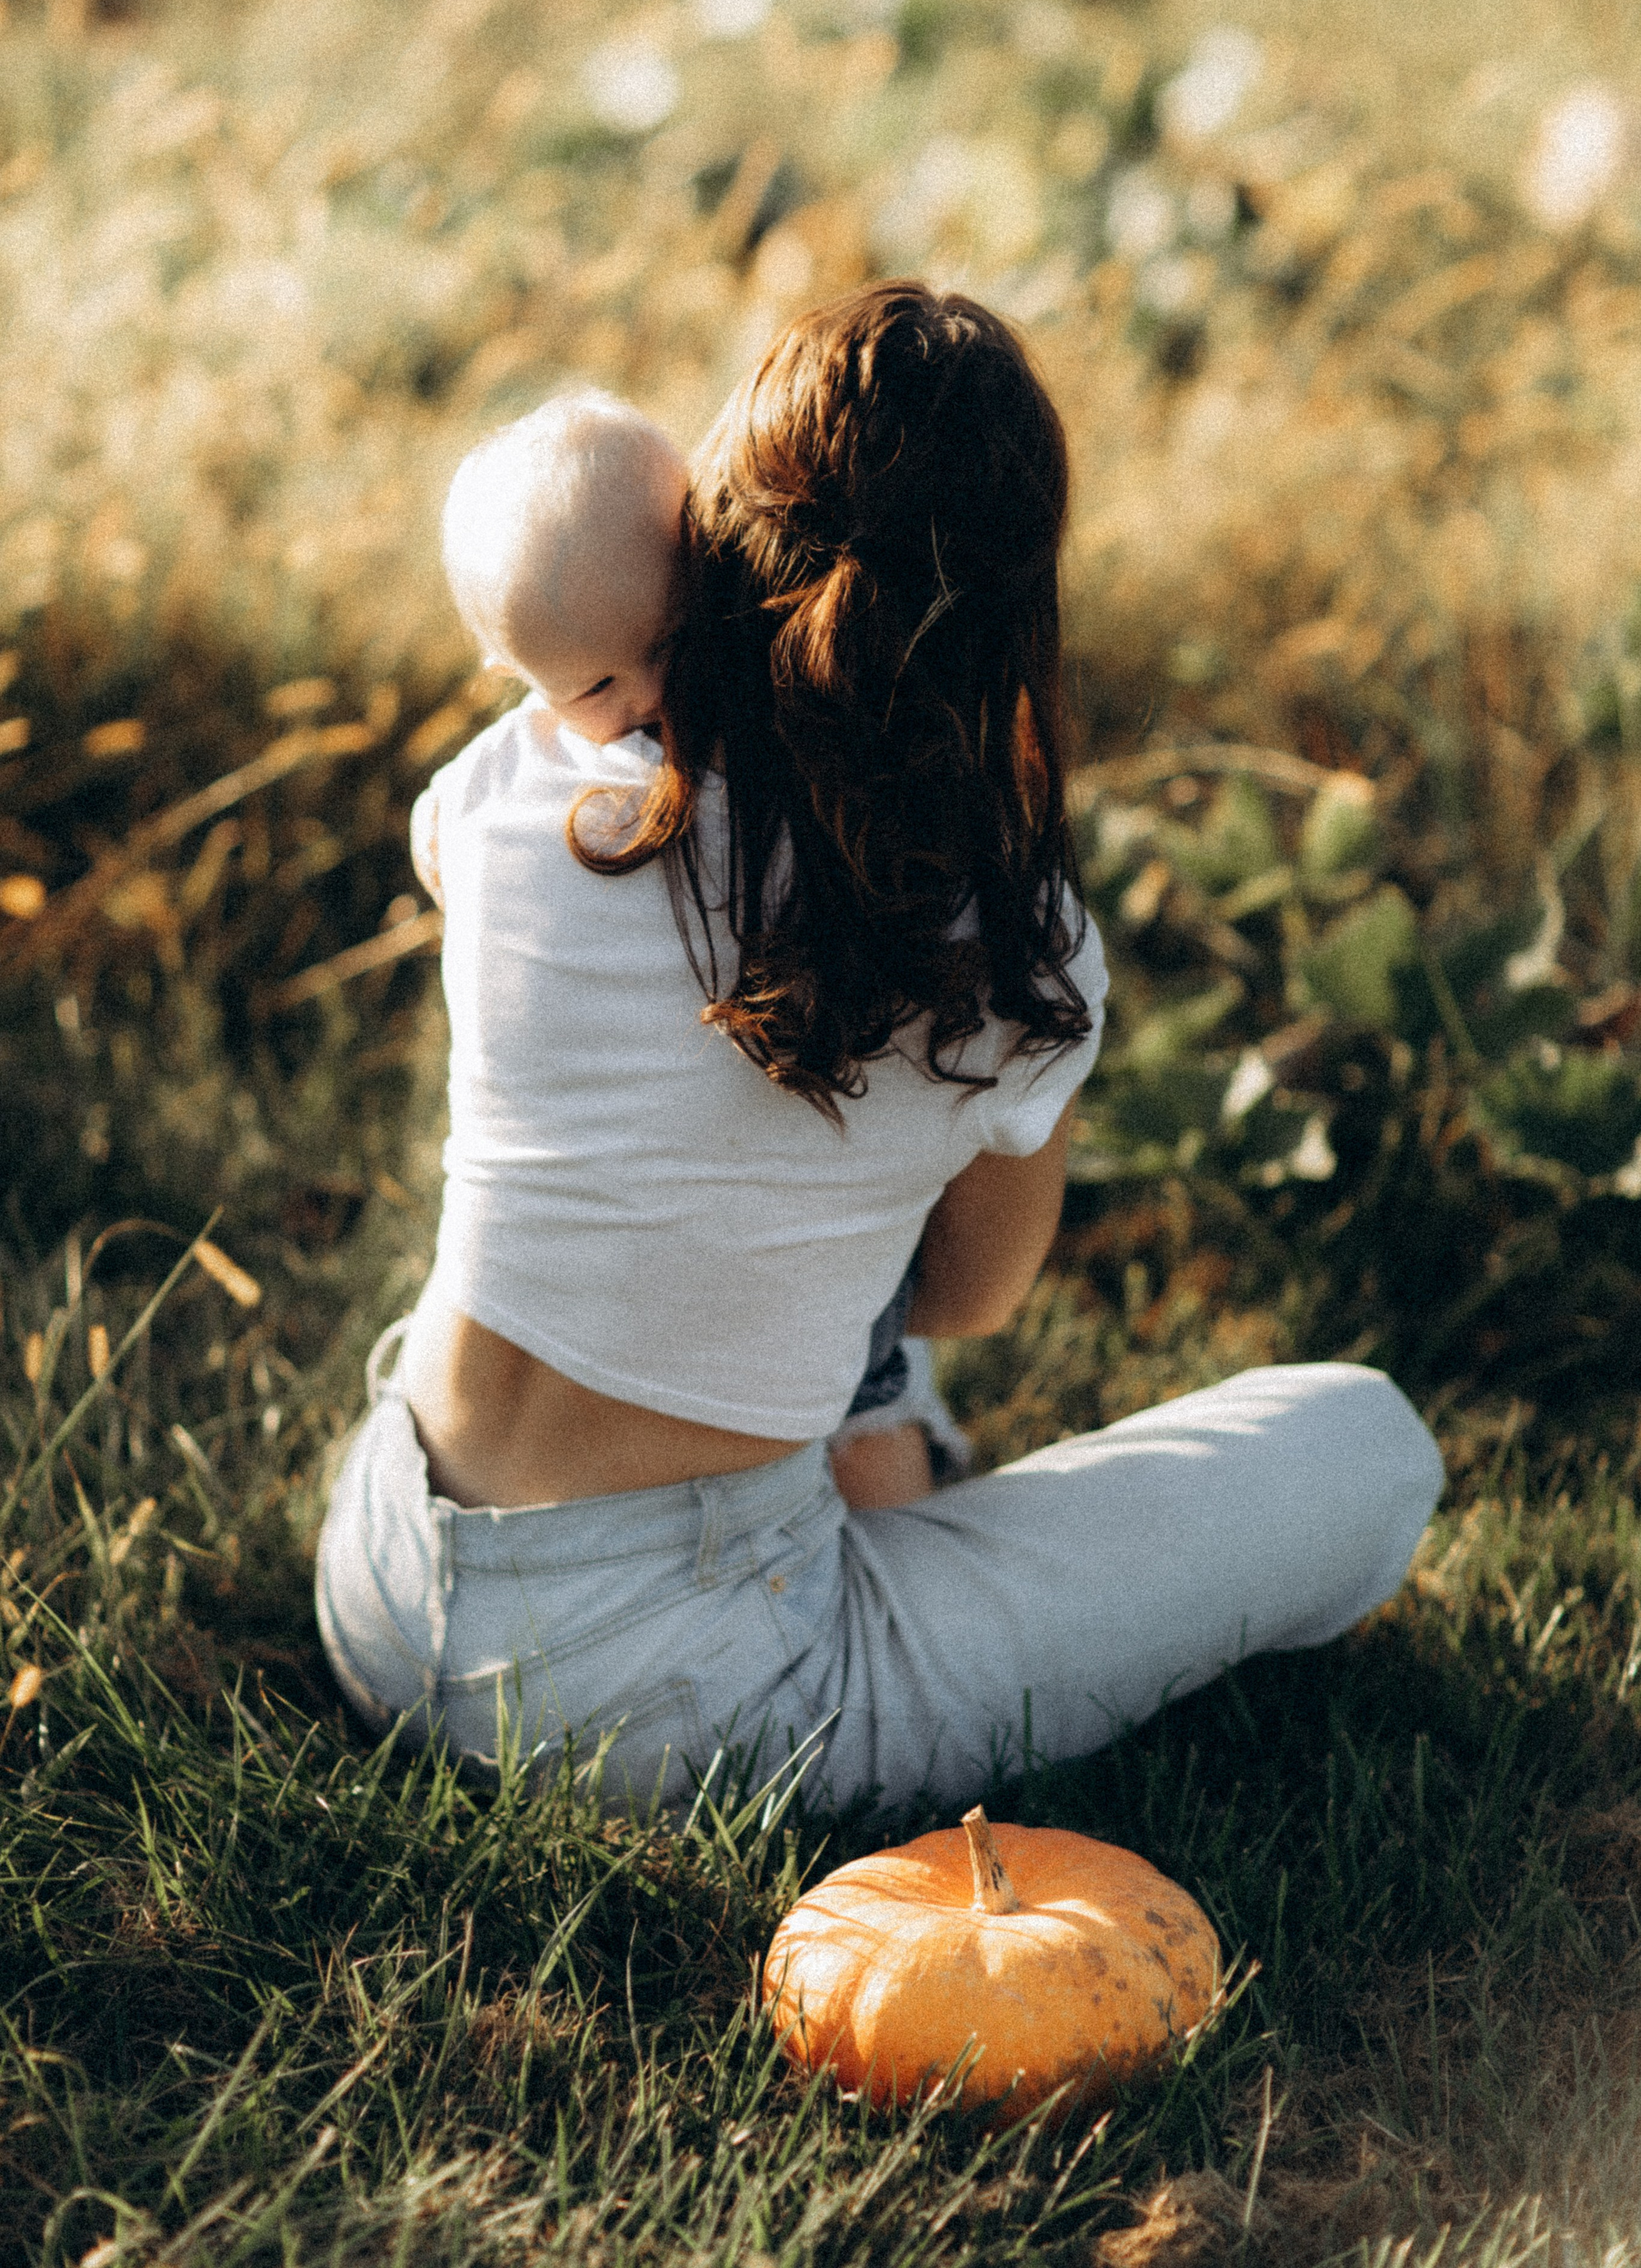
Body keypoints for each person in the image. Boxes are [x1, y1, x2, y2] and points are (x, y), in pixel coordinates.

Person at [315, 282, 1444, 1817]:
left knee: (784, 1274)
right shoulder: (1003, 940)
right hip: (674, 1702)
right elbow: (968, 1298)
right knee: (1363, 1448)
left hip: (384, 1578)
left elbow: (469, 860)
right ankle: (858, 1515)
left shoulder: (517, 781)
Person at [422, 385, 970, 1503]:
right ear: (522, 686)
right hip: (719, 1257)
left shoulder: (534, 778)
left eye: (673, 645)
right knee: (873, 1393)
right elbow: (437, 827)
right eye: (595, 687)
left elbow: (438, 831)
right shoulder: (537, 771)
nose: (653, 700)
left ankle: (903, 1502)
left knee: (878, 1428)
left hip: (775, 1200)